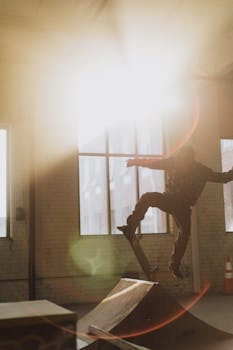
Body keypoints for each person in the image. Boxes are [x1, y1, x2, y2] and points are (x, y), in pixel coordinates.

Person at [117, 145, 233, 279]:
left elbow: (223, 178)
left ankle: (174, 265)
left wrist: (136, 162)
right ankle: (132, 227)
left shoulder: (195, 168)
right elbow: (223, 178)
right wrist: (136, 162)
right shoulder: (186, 165)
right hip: (174, 202)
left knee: (183, 232)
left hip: (179, 205)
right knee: (149, 199)